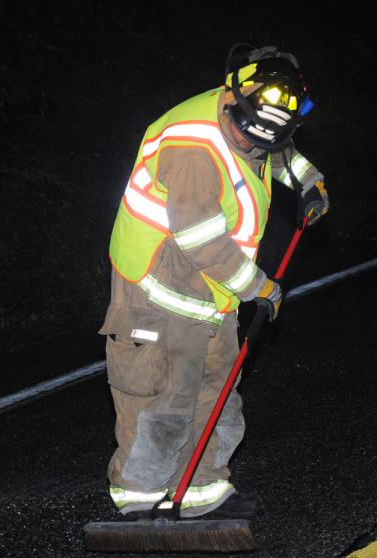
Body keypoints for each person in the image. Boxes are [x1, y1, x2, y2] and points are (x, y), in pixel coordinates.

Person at [100, 45, 329, 519]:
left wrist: (306, 180)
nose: (252, 147)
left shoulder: (252, 112)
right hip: (158, 291)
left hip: (213, 293)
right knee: (163, 400)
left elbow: (276, 147)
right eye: (247, 138)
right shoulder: (192, 150)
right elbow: (202, 241)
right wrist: (260, 288)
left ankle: (204, 490)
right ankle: (139, 499)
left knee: (217, 393)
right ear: (233, 99)